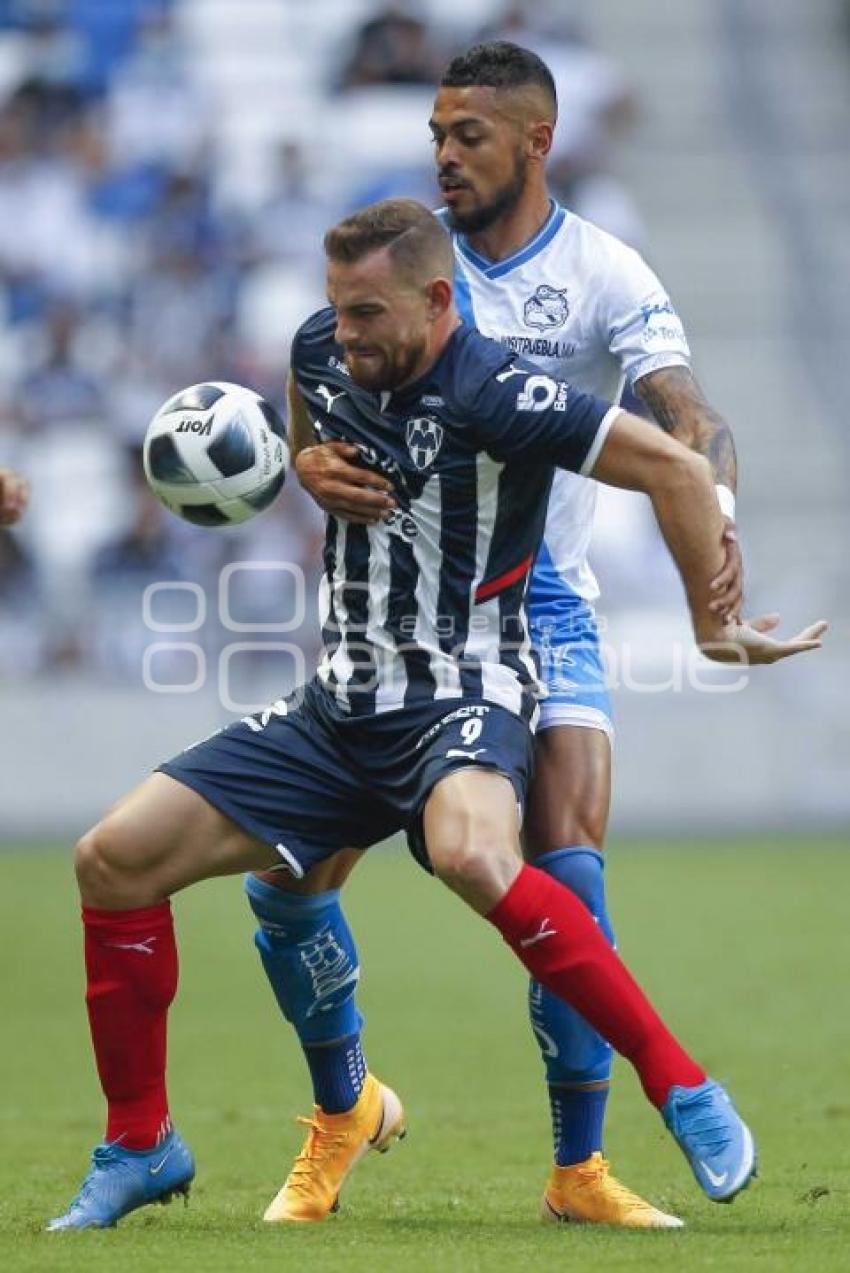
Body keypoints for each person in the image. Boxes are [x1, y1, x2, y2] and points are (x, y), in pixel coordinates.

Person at [48, 199, 825, 1233]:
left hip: (465, 688)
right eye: (337, 309)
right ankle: (143, 1142)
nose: (346, 332)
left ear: (436, 302)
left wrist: (715, 626)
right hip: (340, 702)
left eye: (368, 312)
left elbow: (676, 466)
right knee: (111, 858)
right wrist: (309, 463)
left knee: (475, 853)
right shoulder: (324, 347)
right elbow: (308, 415)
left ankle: (679, 1085)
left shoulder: (503, 390)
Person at [249, 43, 747, 1229]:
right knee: (288, 879)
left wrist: (715, 546)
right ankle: (341, 1110)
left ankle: (578, 1168)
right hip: (386, 613)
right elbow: (314, 376)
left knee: (565, 861)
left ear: (535, 141)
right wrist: (305, 461)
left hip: (541, 600)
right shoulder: (399, 260)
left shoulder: (603, 271)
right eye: (435, 131)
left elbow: (685, 416)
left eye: (467, 134)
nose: (442, 153)